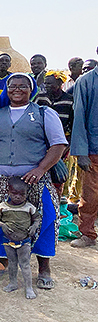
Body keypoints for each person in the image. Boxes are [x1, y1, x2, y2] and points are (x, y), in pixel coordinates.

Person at [0, 73, 66, 289]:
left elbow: (58, 145)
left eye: (23, 86)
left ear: (31, 90)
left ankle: (43, 267)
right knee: (0, 219)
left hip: (33, 180)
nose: (17, 89)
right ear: (6, 89)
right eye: (12, 86)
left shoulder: (44, 113)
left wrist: (41, 169)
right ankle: (3, 261)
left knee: (42, 219)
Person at [0, 177, 40, 300]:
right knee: (12, 263)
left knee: (25, 264)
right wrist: (3, 225)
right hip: (8, 241)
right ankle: (13, 283)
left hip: (24, 241)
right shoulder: (2, 207)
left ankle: (29, 288)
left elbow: (37, 218)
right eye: (14, 193)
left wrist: (34, 226)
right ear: (8, 192)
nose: (18, 197)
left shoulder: (29, 207)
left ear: (27, 193)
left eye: (21, 194)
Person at [70, 49, 98, 248]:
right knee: (90, 196)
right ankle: (87, 234)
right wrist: (81, 152)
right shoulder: (86, 81)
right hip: (94, 149)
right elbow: (79, 117)